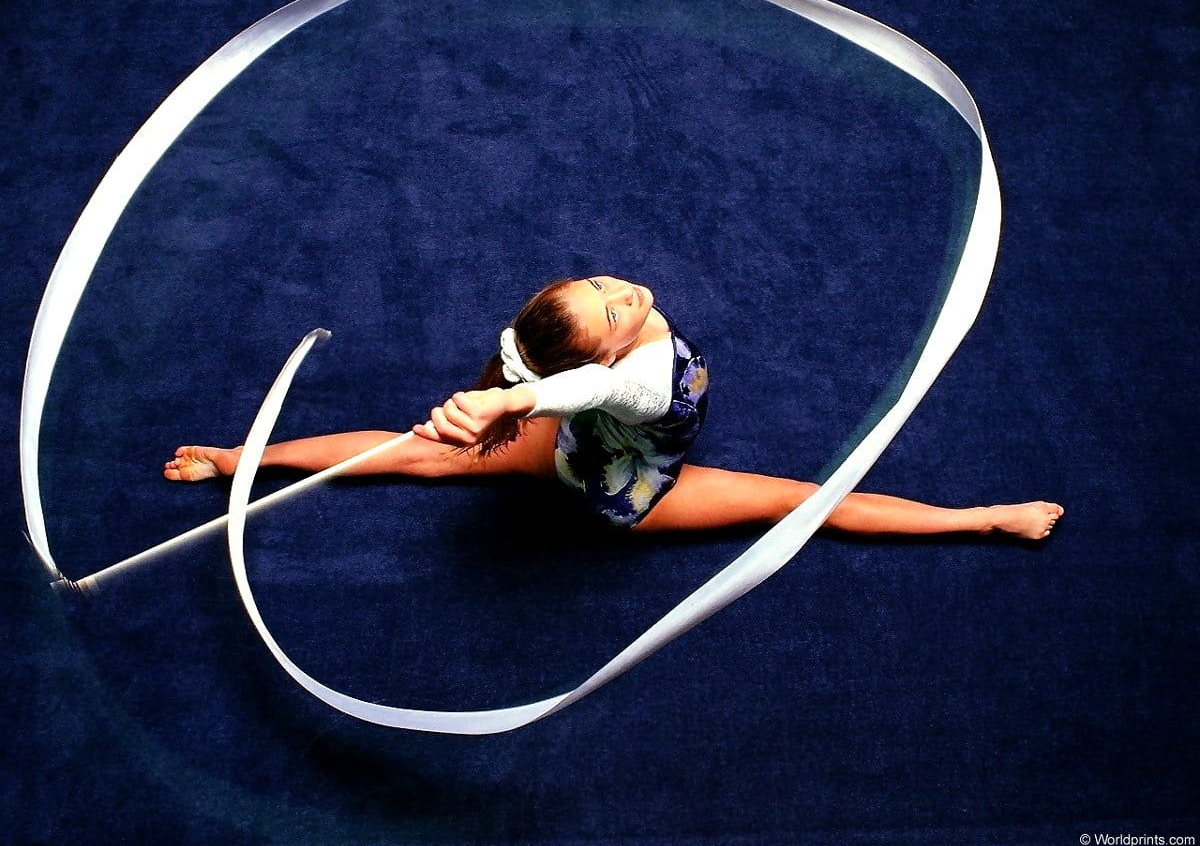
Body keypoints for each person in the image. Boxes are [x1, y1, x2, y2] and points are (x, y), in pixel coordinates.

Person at [164, 274, 1063, 539]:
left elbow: (550, 374)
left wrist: (495, 400)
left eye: (607, 286)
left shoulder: (561, 340)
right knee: (803, 501)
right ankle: (982, 519)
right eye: (613, 311)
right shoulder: (619, 375)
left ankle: (243, 460)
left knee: (417, 452)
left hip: (564, 435)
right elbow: (579, 390)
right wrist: (506, 401)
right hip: (632, 480)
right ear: (602, 347)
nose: (629, 293)